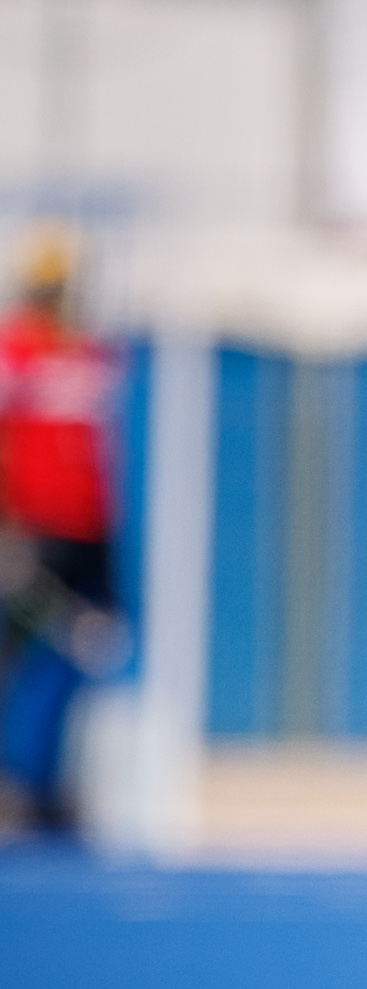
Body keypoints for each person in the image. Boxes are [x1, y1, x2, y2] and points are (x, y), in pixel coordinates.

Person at [0, 227, 120, 832]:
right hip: (38, 532)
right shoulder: (16, 350)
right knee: (27, 656)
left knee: (80, 655)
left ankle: (48, 783)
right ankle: (19, 781)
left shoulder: (92, 353)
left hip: (88, 535)